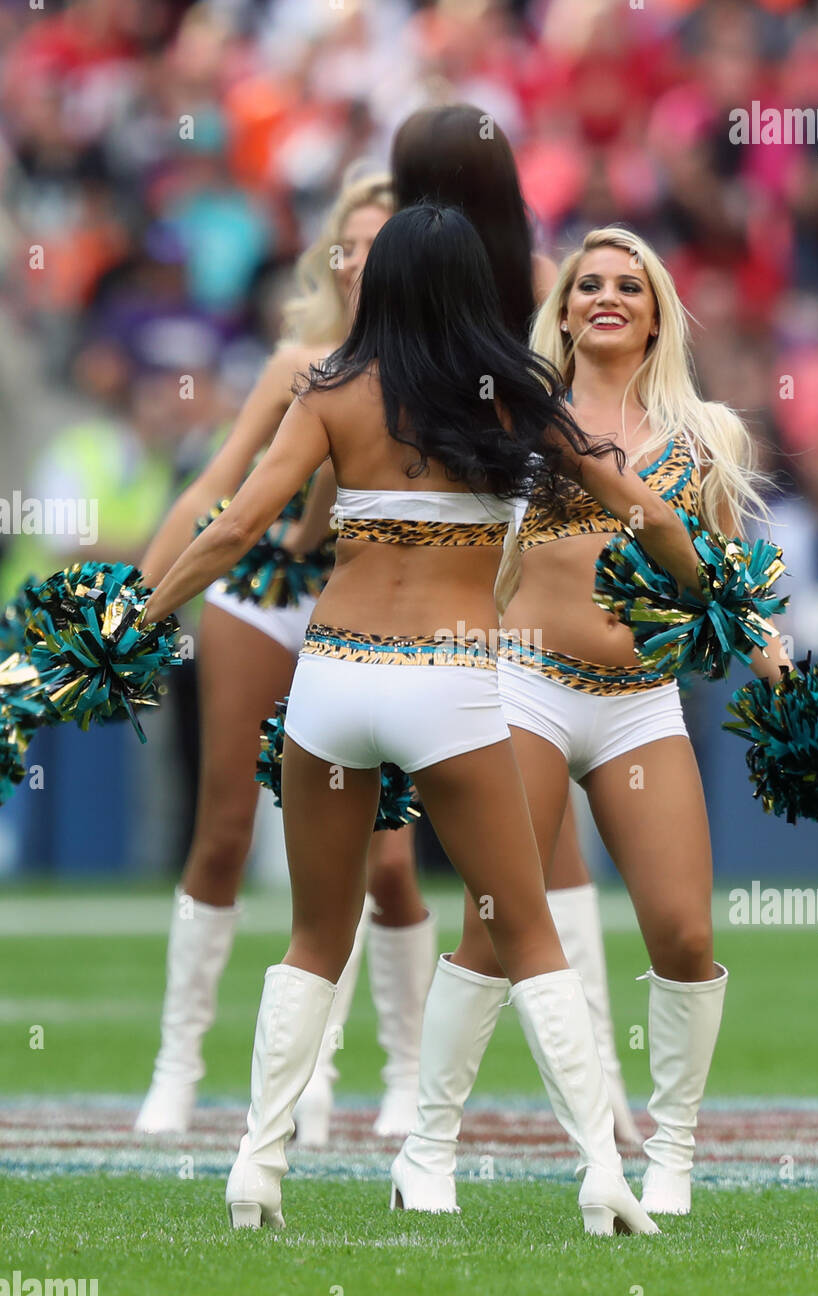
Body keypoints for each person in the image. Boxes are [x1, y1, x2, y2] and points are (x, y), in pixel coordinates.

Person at [140, 204, 703, 1234]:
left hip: (335, 680)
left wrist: (141, 614)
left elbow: (238, 526)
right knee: (526, 931)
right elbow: (652, 514)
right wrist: (714, 594)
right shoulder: (517, 400)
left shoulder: (328, 392)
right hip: (448, 682)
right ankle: (601, 1175)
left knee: (314, 934)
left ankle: (255, 1168)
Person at [394, 226, 790, 1218]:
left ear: (655, 311)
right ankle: (425, 1151)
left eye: (628, 284)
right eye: (587, 285)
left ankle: (674, 1155)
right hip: (523, 685)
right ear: (563, 309)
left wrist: (764, 643)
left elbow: (718, 576)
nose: (606, 296)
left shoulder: (707, 436)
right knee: (494, 919)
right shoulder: (516, 415)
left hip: (638, 703)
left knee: (684, 931)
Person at [295, 105, 641, 1142]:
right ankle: (553, 1105)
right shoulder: (506, 271)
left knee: (440, 864)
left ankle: (397, 1094)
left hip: (457, 574)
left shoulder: (497, 274)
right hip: (506, 568)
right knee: (529, 864)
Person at [134, 169, 436, 1144]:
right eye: (349, 243)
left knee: (385, 857)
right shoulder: (294, 367)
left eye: (381, 242)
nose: (361, 260)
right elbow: (215, 489)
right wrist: (138, 600)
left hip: (370, 606)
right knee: (222, 824)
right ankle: (177, 1066)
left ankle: (383, 1073)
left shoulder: (441, 372)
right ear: (332, 258)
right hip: (262, 591)